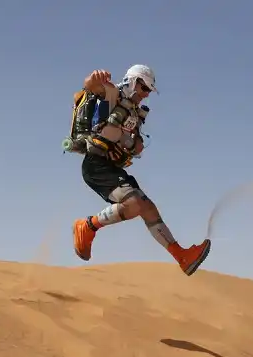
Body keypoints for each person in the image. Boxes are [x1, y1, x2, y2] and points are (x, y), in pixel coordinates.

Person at [71, 64, 211, 276]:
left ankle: (182, 256)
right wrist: (94, 78)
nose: (145, 95)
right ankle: (88, 226)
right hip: (96, 165)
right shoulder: (112, 93)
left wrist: (135, 144)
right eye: (144, 88)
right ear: (133, 81)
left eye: (148, 91)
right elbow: (90, 86)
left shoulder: (135, 113)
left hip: (111, 166)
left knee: (147, 207)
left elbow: (131, 145)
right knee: (134, 203)